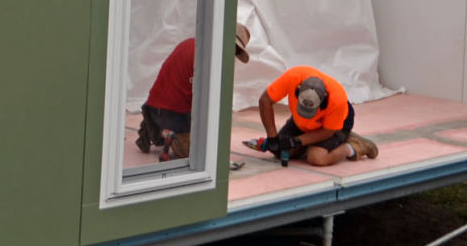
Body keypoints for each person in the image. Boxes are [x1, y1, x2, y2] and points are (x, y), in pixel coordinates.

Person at [136, 23, 251, 161]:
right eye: (234, 49)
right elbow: (206, 105)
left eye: (236, 51)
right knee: (197, 155)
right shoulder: (208, 60)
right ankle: (160, 128)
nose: (233, 54)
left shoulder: (192, 43)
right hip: (171, 112)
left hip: (156, 104)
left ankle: (154, 122)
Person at [252, 66, 377, 166]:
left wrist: (297, 141)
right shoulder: (293, 77)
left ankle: (353, 146)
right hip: (302, 123)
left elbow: (327, 132)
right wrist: (272, 137)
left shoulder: (337, 99)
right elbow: (265, 101)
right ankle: (311, 143)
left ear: (324, 98)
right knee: (280, 151)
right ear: (298, 89)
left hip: (333, 126)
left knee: (317, 158)